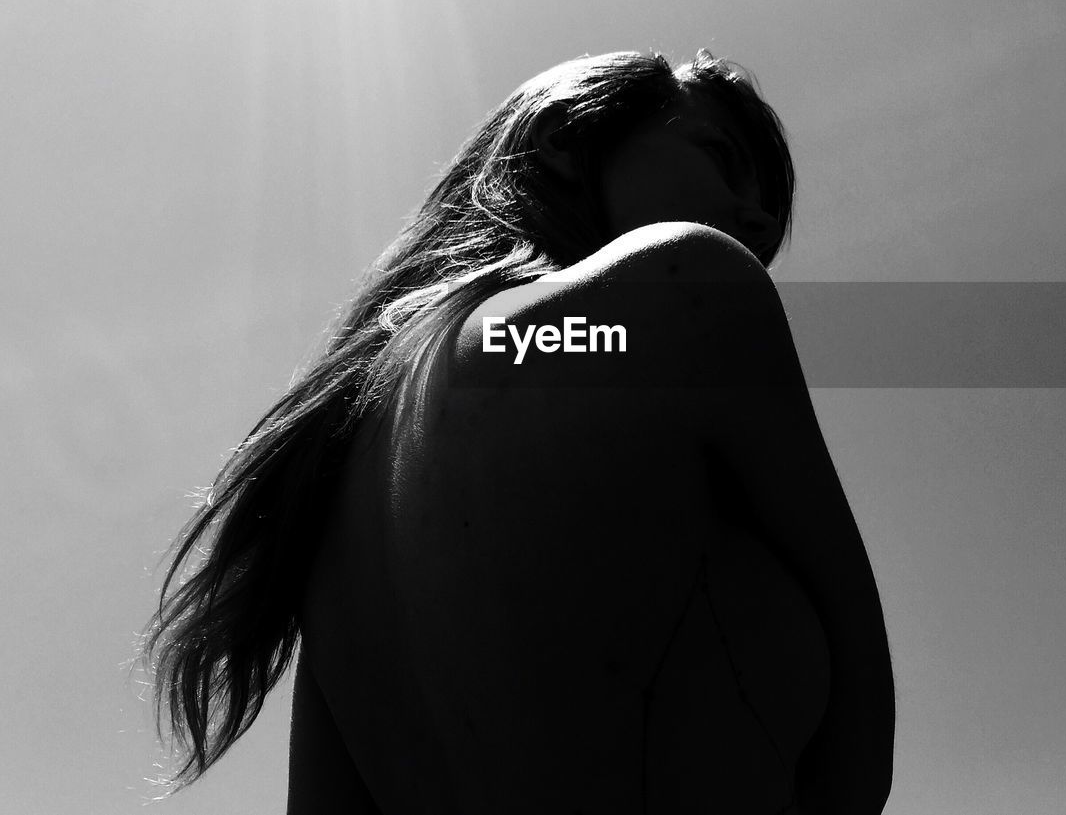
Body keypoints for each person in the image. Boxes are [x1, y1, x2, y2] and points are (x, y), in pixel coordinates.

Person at [137, 49, 895, 813]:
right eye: (719, 157)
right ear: (568, 139)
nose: (756, 218)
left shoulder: (332, 486)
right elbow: (861, 730)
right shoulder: (690, 291)